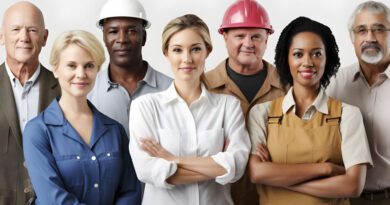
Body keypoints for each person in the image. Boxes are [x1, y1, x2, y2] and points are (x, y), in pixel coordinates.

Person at [247, 16, 373, 205]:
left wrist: (281, 181)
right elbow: (257, 173)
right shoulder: (262, 114)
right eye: (298, 54)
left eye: (316, 54)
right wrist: (327, 169)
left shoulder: (348, 115)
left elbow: (353, 186)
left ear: (327, 58)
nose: (307, 62)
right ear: (286, 58)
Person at [129, 14, 250, 205]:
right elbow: (147, 170)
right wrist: (218, 165)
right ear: (166, 53)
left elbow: (237, 166)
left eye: (195, 49)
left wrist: (172, 159)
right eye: (177, 50)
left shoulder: (228, 106)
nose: (187, 59)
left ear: (207, 51)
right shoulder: (145, 107)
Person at [23, 30, 141, 204]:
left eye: (89, 66)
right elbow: (52, 199)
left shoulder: (115, 131)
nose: (81, 74)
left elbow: (130, 192)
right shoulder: (38, 131)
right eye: (71, 65)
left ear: (97, 70)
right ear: (55, 69)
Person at [204, 0, 286, 204]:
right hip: (220, 197)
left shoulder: (288, 87)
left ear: (267, 38)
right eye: (240, 36)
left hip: (275, 196)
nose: (248, 44)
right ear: (224, 36)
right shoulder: (204, 86)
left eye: (256, 36)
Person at [326, 1, 390, 204]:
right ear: (352, 38)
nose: (370, 38)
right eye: (361, 30)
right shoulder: (335, 84)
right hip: (343, 199)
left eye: (379, 29)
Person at [0, 2, 60, 204]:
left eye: (32, 30)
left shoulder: (66, 90)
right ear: (1, 36)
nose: (24, 38)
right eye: (15, 29)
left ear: (44, 38)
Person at [88, 0, 172, 136]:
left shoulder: (171, 89)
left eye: (132, 31)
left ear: (144, 37)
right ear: (104, 38)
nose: (122, 39)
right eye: (113, 31)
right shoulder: (88, 90)